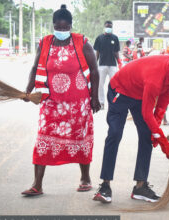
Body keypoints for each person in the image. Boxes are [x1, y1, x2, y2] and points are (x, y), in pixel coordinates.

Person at [93, 55, 169, 203]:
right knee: (115, 134)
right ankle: (105, 186)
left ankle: (140, 187)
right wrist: (161, 138)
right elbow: (147, 113)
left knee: (147, 135)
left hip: (140, 93)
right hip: (121, 90)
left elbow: (161, 107)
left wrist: (155, 134)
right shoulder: (155, 78)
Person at [21, 4, 100, 196]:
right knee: (43, 139)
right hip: (51, 102)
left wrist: (94, 97)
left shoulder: (82, 42)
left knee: (80, 139)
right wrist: (27, 90)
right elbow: (34, 67)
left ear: (71, 26)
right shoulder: (45, 43)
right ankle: (37, 185)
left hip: (78, 104)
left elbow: (95, 70)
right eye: (59, 27)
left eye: (66, 28)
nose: (62, 31)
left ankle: (85, 178)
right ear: (53, 25)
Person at [93, 20, 121, 109]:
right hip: (102, 65)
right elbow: (97, 52)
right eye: (107, 26)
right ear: (104, 27)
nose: (108, 28)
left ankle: (113, 103)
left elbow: (116, 52)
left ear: (112, 28)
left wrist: (119, 62)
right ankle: (101, 103)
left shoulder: (115, 38)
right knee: (100, 84)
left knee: (114, 84)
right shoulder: (99, 38)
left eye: (110, 27)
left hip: (113, 65)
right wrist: (94, 63)